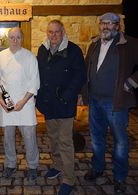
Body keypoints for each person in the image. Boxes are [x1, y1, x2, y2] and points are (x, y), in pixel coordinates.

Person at [82, 12, 138, 193]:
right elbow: (87, 70)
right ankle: (98, 168)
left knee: (120, 142)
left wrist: (131, 82)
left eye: (110, 23)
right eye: (103, 23)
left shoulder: (129, 44)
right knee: (97, 139)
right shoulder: (94, 44)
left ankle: (120, 177)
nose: (106, 26)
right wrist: (83, 94)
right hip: (95, 101)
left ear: (117, 26)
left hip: (115, 103)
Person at [36, 20, 86, 194]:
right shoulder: (42, 50)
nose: (53, 35)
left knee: (65, 142)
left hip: (64, 104)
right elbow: (39, 75)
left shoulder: (73, 50)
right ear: (47, 33)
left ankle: (68, 179)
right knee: (53, 138)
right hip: (49, 104)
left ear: (63, 32)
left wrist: (67, 95)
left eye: (57, 32)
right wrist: (39, 98)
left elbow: (80, 75)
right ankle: (57, 165)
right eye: (50, 32)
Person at [0, 27, 40, 182]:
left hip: (25, 104)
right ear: (8, 39)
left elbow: (34, 83)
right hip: (7, 104)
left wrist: (23, 102)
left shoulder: (30, 56)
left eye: (18, 37)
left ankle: (32, 166)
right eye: (12, 37)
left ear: (22, 38)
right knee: (8, 138)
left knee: (29, 137)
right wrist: (1, 101)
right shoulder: (0, 56)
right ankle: (10, 164)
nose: (15, 40)